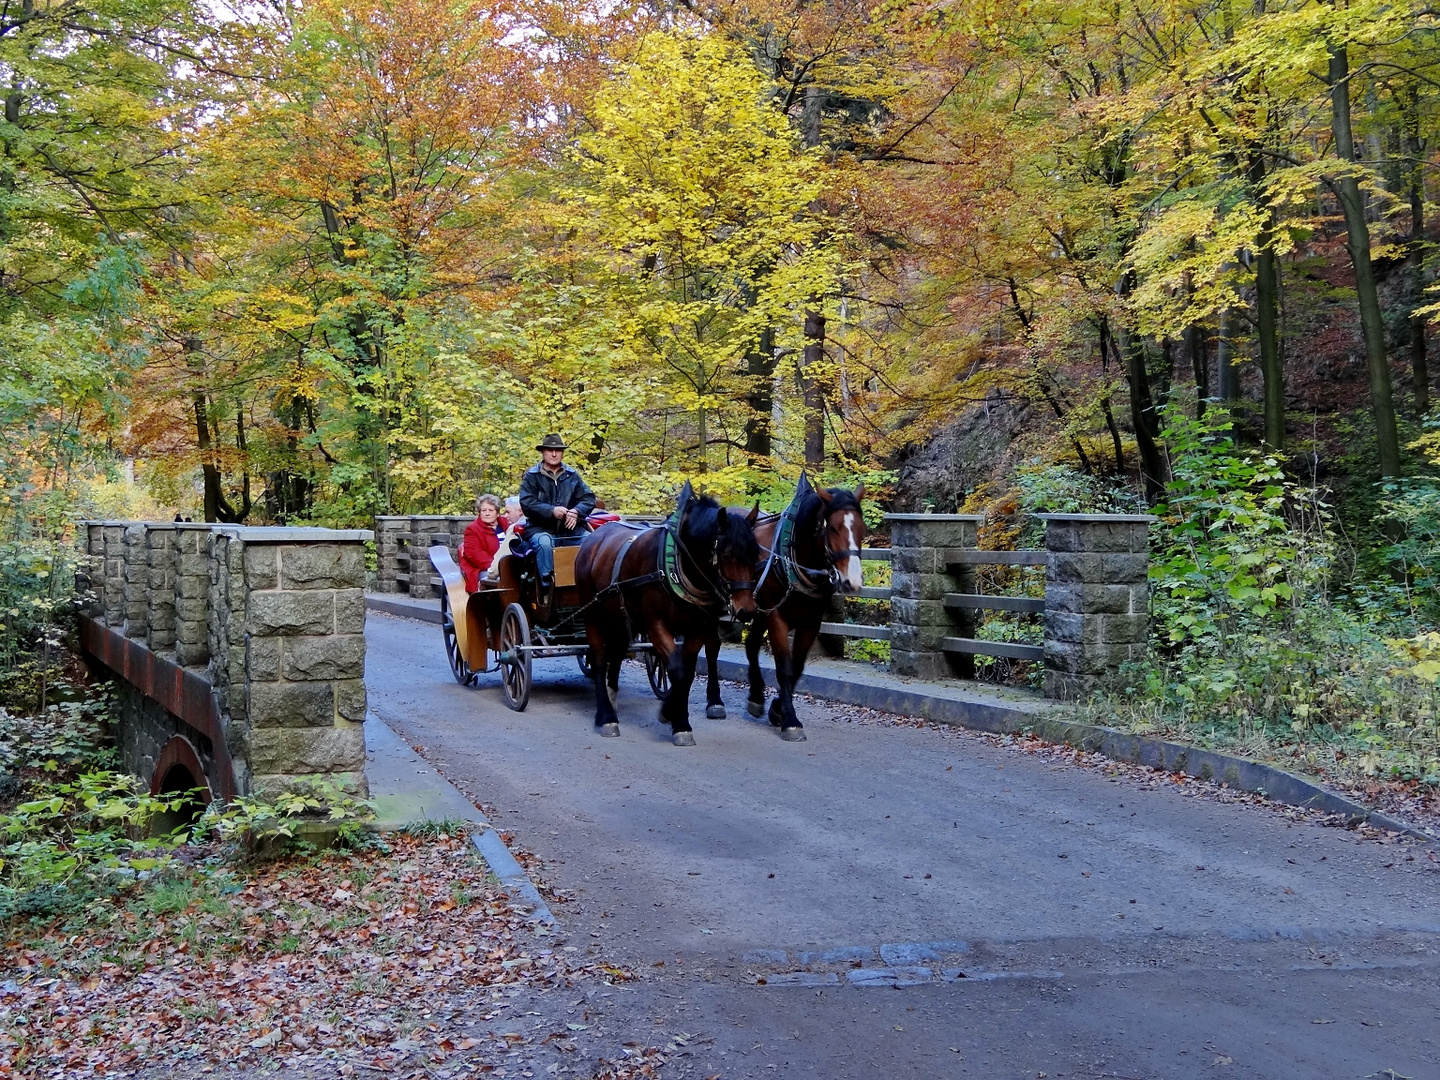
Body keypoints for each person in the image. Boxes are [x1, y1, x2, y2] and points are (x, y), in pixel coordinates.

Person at [518, 434, 595, 590]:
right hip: (540, 529)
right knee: (545, 543)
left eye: (558, 450)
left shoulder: (572, 475)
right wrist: (551, 510)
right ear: (543, 453)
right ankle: (548, 589)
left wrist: (576, 511)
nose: (554, 454)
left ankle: (588, 585)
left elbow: (588, 498)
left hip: (570, 530)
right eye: (550, 450)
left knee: (591, 541)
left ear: (562, 453)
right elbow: (527, 503)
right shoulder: (532, 476)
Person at [459, 494, 508, 591]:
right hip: (483, 569)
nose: (487, 513)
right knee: (500, 580)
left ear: (497, 513)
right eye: (484, 510)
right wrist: (497, 568)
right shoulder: (472, 529)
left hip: (506, 565)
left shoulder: (506, 524)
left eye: (491, 510)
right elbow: (475, 555)